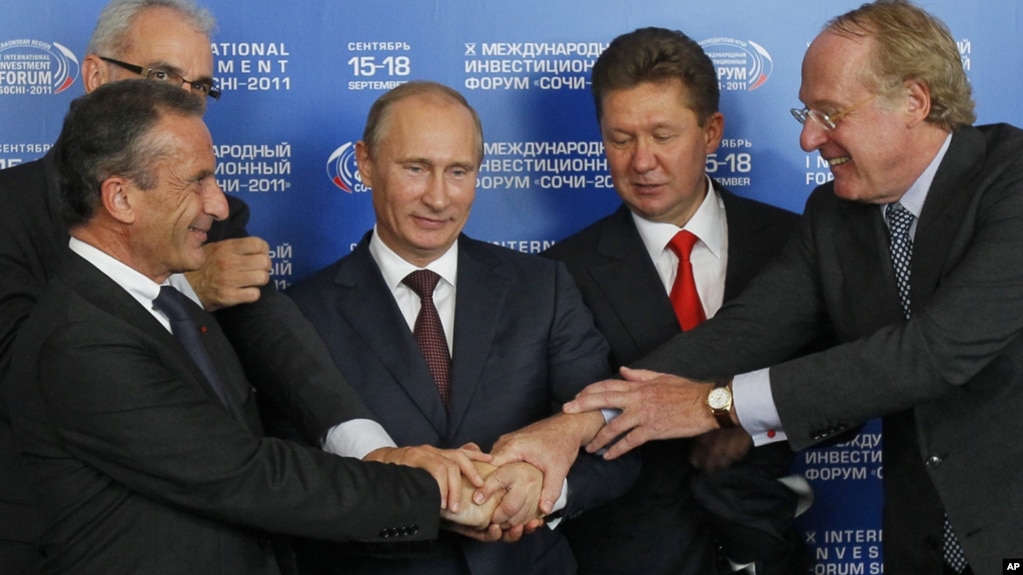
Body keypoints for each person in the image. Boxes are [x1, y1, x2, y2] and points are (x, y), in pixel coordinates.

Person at [0, 1, 480, 572]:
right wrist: (185, 287)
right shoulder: (37, 256)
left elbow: (279, 345)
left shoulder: (203, 213)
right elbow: (39, 373)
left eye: (200, 84)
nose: (187, 97)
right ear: (96, 75)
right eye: (162, 77)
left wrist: (375, 452)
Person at [562, 1, 1023, 573]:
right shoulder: (834, 214)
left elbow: (929, 355)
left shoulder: (1014, 179)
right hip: (922, 543)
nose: (809, 139)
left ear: (914, 101)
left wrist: (719, 405)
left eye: (829, 114)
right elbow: (748, 330)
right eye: (806, 113)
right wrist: (573, 426)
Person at [285, 80, 638, 574]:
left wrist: (543, 491)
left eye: (458, 171)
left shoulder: (543, 288)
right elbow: (293, 477)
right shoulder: (301, 313)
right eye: (416, 168)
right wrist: (421, 501)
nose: (438, 197)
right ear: (365, 164)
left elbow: (609, 435)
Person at [542, 27, 808, 575]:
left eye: (662, 135)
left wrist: (752, 420)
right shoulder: (556, 273)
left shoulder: (794, 245)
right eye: (620, 138)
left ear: (711, 132)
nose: (641, 162)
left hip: (766, 548)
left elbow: (843, 383)